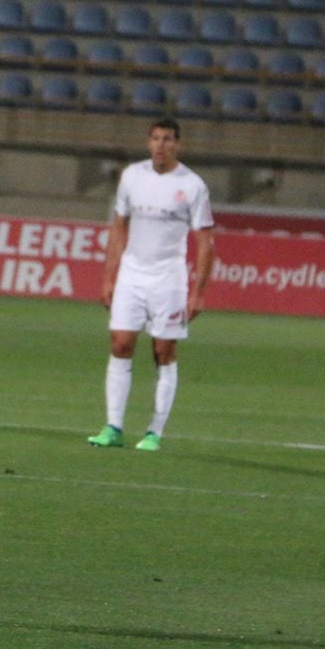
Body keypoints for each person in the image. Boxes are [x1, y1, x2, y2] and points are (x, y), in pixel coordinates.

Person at [86, 118, 214, 452]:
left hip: (169, 278)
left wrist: (197, 292)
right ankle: (113, 427)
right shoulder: (131, 176)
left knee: (164, 352)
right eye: (155, 138)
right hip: (132, 274)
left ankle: (154, 432)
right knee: (120, 344)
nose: (161, 145)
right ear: (148, 143)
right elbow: (118, 228)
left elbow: (205, 243)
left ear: (178, 144)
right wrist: (109, 277)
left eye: (168, 139)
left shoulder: (193, 185)